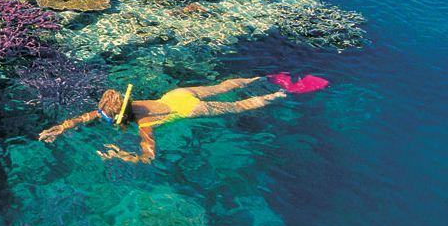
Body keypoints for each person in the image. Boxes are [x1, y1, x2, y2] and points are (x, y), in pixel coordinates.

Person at [38, 77, 286, 163]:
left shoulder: (145, 124)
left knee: (237, 106)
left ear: (120, 117)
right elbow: (87, 116)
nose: (99, 117)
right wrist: (60, 128)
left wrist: (121, 155)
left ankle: (278, 94)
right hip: (177, 95)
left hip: (190, 109)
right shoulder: (128, 107)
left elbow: (149, 157)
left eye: (107, 119)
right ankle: (259, 78)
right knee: (221, 86)